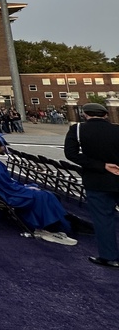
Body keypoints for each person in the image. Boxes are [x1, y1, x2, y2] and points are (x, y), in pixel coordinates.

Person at [0, 136, 76, 245]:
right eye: (3, 145)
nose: (5, 147)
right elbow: (5, 185)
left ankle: (52, 223)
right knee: (44, 195)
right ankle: (50, 226)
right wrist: (23, 187)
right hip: (0, 193)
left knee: (39, 192)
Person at [64, 102, 119, 268]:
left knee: (103, 220)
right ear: (106, 115)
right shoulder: (117, 129)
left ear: (85, 114)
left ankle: (109, 256)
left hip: (97, 181)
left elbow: (71, 154)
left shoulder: (78, 130)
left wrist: (101, 166)